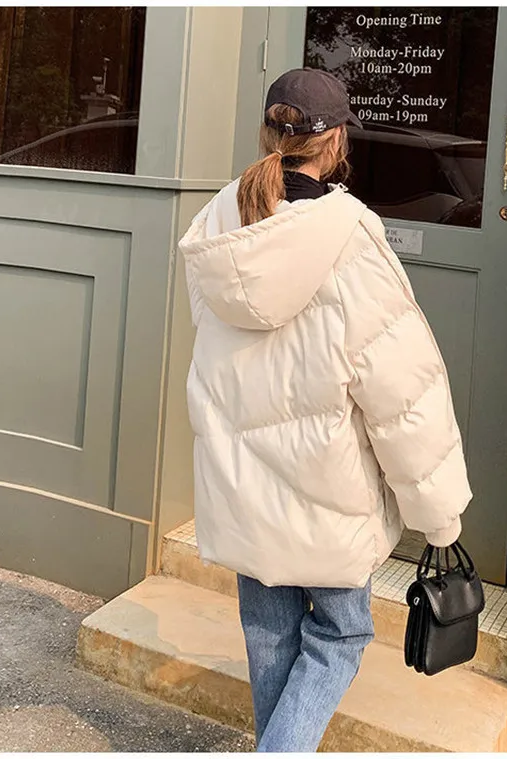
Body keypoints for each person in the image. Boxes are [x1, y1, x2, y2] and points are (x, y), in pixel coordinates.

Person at [178, 68, 472, 753]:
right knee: (340, 634)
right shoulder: (349, 236)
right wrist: (438, 516)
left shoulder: (221, 224)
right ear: (337, 140)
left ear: (268, 134)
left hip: (243, 482)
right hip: (327, 491)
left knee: (269, 632)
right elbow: (402, 393)